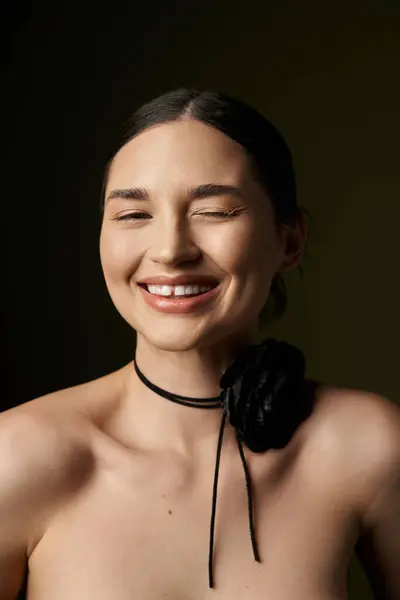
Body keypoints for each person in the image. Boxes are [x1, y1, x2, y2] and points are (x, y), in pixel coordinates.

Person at [1, 88, 399, 600]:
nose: (170, 250)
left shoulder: (365, 447)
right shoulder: (20, 457)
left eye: (214, 211)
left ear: (289, 241)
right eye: (132, 215)